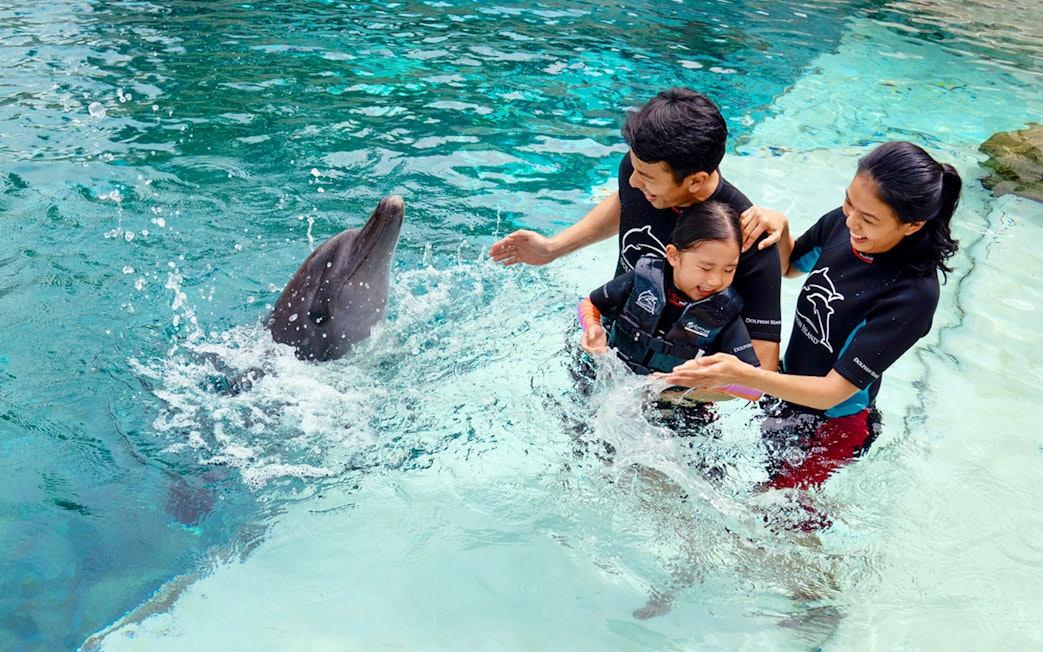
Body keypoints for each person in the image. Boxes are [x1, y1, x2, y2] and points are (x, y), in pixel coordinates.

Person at [657, 141, 962, 489]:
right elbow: (789, 267)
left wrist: (747, 374)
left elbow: (832, 391)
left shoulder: (913, 294)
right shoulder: (843, 224)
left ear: (912, 225)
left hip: (833, 425)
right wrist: (781, 227)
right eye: (849, 202)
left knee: (774, 521)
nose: (852, 221)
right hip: (786, 392)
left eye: (869, 219)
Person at [490, 88, 782, 370]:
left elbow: (763, 366)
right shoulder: (639, 171)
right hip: (607, 344)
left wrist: (669, 389)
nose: (633, 182)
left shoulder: (746, 235)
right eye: (634, 170)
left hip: (678, 394)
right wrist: (554, 248)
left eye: (645, 177)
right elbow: (625, 202)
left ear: (695, 181)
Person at [577, 200, 762, 403]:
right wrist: (592, 327)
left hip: (670, 407)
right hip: (606, 379)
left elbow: (754, 388)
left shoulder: (723, 314)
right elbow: (590, 303)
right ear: (673, 255)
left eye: (729, 269)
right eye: (705, 268)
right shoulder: (644, 277)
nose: (715, 281)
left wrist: (697, 382)